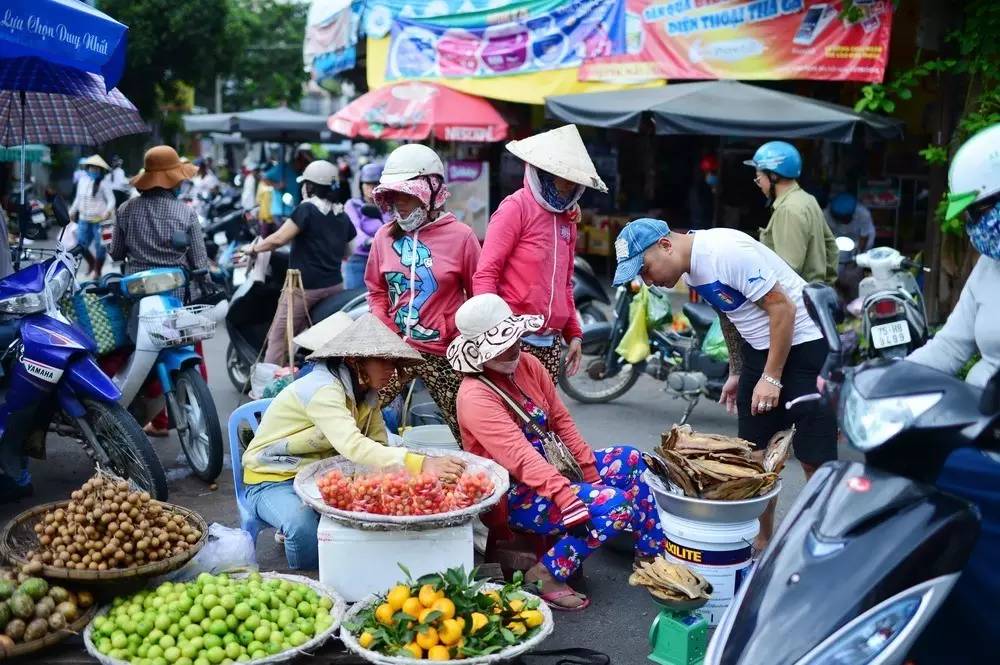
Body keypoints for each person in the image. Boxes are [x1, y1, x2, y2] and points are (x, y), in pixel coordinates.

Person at [612, 218, 837, 550]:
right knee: (753, 457)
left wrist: (771, 377)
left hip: (805, 344)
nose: (647, 281)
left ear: (665, 245)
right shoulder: (690, 269)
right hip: (760, 349)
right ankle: (761, 542)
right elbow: (729, 314)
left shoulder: (726, 253)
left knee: (812, 456)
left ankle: (827, 541)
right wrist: (738, 370)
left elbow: (783, 310)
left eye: (644, 269)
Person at [451, 294, 666, 610]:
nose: (513, 347)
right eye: (501, 345)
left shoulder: (529, 364)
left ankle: (649, 557)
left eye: (514, 339)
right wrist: (568, 497)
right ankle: (546, 574)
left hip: (551, 470)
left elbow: (561, 421)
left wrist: (591, 474)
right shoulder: (475, 396)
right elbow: (521, 457)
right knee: (615, 506)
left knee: (632, 459)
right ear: (479, 353)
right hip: (514, 492)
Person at [242, 313, 467, 569]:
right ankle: (313, 580)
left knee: (377, 503)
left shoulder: (367, 395)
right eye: (382, 362)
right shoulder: (324, 390)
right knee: (301, 525)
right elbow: (353, 445)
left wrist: (415, 477)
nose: (390, 371)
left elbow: (379, 444)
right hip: (272, 478)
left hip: (318, 474)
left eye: (393, 363)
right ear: (354, 361)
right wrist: (422, 463)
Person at [895, 124, 1000, 662]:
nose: (975, 226)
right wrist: (879, 384)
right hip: (977, 429)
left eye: (982, 211)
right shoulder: (989, 266)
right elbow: (948, 349)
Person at [366, 144, 481, 441]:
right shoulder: (382, 237)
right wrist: (386, 328)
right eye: (393, 196)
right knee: (360, 417)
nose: (399, 204)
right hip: (391, 350)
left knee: (467, 428)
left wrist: (457, 336)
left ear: (432, 192)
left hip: (442, 353)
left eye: (408, 194)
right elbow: (376, 290)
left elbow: (478, 297)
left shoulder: (462, 237)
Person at [474, 125, 607, 381]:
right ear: (544, 172)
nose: (568, 186)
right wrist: (494, 335)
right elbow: (486, 274)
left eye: (573, 182)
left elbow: (565, 283)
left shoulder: (568, 219)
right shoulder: (515, 208)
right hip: (513, 341)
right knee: (512, 418)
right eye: (562, 178)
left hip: (550, 343)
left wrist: (574, 334)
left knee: (540, 418)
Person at [111, 146, 213, 436]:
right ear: (174, 180)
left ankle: (152, 419)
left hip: (136, 296)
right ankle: (169, 416)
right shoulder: (186, 212)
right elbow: (200, 262)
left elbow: (116, 253)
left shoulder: (125, 209)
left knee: (133, 351)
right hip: (175, 296)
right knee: (183, 347)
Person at [251, 160, 356, 367]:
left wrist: (253, 249)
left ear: (310, 186)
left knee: (279, 337)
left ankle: (268, 389)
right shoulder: (342, 214)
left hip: (304, 288)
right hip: (334, 286)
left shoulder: (306, 209)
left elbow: (278, 239)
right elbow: (348, 251)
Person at [745, 141, 838, 284]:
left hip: (797, 301)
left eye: (759, 177)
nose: (759, 184)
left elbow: (787, 271)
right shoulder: (806, 199)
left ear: (773, 176)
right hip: (813, 295)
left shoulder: (788, 210)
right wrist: (825, 286)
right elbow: (831, 249)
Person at [343, 162, 389, 290]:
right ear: (361, 185)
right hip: (359, 259)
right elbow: (354, 229)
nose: (370, 188)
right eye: (367, 184)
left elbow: (392, 226)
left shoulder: (389, 206)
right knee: (354, 302)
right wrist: (369, 241)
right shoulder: (352, 204)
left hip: (384, 259)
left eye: (375, 184)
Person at [69, 155, 116, 278]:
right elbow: (78, 199)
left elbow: (112, 200)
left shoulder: (104, 183)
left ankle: (98, 270)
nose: (93, 170)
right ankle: (91, 263)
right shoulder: (82, 181)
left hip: (100, 221)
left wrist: (107, 211)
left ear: (101, 170)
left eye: (96, 169)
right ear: (87, 168)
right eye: (91, 168)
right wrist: (72, 211)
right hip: (84, 219)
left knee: (101, 247)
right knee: (80, 245)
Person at [824, 192, 875, 299]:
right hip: (837, 240)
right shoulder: (825, 215)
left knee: (854, 274)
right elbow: (825, 236)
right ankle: (839, 294)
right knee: (834, 273)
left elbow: (864, 236)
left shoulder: (863, 214)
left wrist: (855, 257)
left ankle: (855, 299)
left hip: (859, 241)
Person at [264, 144, 314, 227]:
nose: (303, 166)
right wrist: (277, 185)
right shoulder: (282, 168)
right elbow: (264, 178)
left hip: (294, 211)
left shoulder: (300, 173)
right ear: (297, 160)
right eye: (302, 163)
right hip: (280, 211)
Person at [689, 154, 719, 230]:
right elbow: (701, 208)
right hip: (701, 223)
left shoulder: (706, 186)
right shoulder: (699, 188)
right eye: (712, 172)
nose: (714, 175)